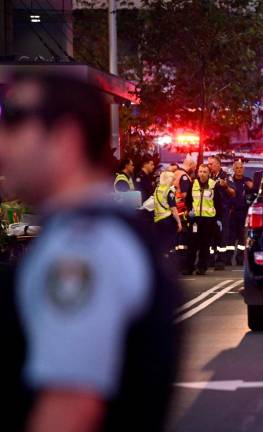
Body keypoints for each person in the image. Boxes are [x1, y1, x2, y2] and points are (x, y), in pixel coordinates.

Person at [0, 71, 179, 431]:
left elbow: (70, 407)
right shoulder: (90, 234)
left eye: (16, 121)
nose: (3, 142)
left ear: (66, 139)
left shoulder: (83, 249)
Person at [184, 164, 227, 275]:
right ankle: (189, 267)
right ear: (198, 172)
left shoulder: (213, 185)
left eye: (204, 172)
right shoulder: (193, 184)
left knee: (205, 244)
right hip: (195, 219)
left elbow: (218, 203)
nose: (202, 174)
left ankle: (201, 267)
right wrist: (190, 210)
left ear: (208, 173)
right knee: (192, 243)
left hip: (208, 220)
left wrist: (218, 219)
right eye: (200, 171)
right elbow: (188, 199)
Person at [224, 160, 255, 266]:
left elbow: (254, 194)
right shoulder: (230, 181)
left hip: (243, 213)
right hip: (232, 213)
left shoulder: (247, 181)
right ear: (233, 169)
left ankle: (240, 258)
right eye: (236, 168)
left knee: (242, 237)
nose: (239, 170)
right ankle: (228, 258)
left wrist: (253, 187)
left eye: (241, 167)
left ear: (244, 169)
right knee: (230, 237)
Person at [207, 156, 234, 269]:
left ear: (218, 164)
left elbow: (233, 193)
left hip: (222, 211)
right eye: (208, 164)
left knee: (222, 236)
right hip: (210, 211)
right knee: (211, 236)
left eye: (211, 164)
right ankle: (210, 260)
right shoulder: (209, 176)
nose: (209, 166)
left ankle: (221, 261)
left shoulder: (225, 177)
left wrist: (226, 186)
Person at [154, 171, 183, 254]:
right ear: (169, 180)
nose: (174, 182)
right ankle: (169, 262)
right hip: (167, 221)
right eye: (173, 180)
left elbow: (162, 202)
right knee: (169, 245)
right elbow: (173, 210)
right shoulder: (169, 191)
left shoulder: (157, 189)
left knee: (160, 244)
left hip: (157, 220)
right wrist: (179, 222)